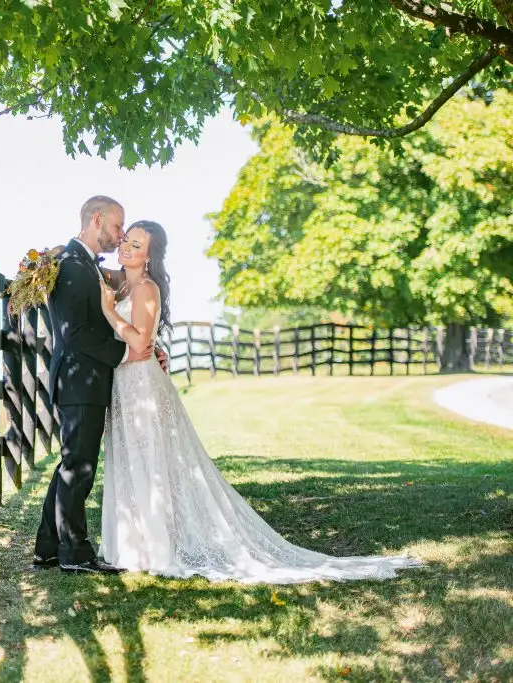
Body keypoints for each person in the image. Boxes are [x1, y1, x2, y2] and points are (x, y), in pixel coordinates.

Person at [97, 220, 423, 583]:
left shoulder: (145, 288)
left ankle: (156, 548)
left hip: (141, 384)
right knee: (130, 460)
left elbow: (140, 343)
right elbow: (84, 265)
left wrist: (111, 312)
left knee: (152, 463)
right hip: (125, 384)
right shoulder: (119, 281)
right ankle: (132, 545)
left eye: (137, 244)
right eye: (126, 239)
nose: (126, 246)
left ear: (150, 256)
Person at [33, 196, 165, 574]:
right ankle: (75, 553)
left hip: (86, 379)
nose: (120, 235)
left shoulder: (85, 265)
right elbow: (76, 333)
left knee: (71, 464)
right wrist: (126, 355)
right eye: (117, 227)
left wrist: (149, 345)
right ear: (97, 220)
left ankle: (48, 545)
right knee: (80, 468)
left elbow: (124, 317)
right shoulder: (72, 265)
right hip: (80, 379)